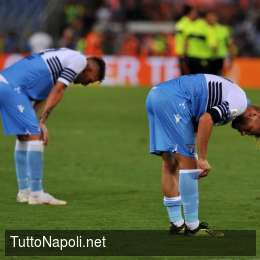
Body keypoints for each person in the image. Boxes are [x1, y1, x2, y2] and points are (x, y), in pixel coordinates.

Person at [145, 73, 259, 236]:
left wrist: (194, 156)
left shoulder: (232, 96)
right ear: (254, 115)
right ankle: (193, 227)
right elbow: (206, 120)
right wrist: (202, 159)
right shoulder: (239, 103)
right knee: (188, 166)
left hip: (156, 95)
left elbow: (195, 122)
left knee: (170, 161)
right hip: (175, 101)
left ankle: (177, 224)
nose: (244, 134)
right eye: (253, 132)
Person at [0, 48, 106, 205]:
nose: (86, 84)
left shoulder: (61, 61)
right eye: (90, 80)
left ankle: (24, 192)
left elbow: (43, 96)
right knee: (35, 136)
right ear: (89, 69)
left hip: (6, 83)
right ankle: (36, 193)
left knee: (24, 135)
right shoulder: (80, 61)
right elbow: (59, 89)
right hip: (12, 88)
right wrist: (41, 123)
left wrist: (37, 121)